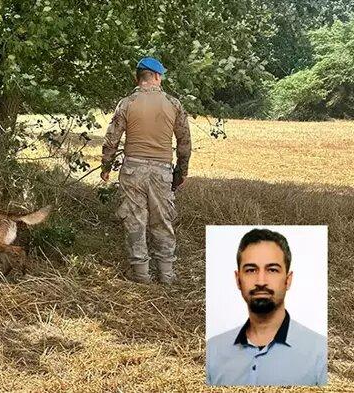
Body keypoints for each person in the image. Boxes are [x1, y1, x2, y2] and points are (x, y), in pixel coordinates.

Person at [100, 57, 191, 284]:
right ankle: (167, 275)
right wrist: (181, 172)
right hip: (162, 171)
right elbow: (184, 141)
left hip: (133, 170)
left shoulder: (127, 103)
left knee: (134, 221)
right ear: (158, 77)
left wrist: (106, 166)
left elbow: (111, 138)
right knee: (162, 221)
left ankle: (141, 276)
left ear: (138, 77)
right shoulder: (174, 104)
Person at [206, 228, 327, 386]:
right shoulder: (212, 352)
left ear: (288, 280)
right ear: (238, 279)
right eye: (251, 270)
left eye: (272, 270)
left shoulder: (321, 354)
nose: (261, 281)